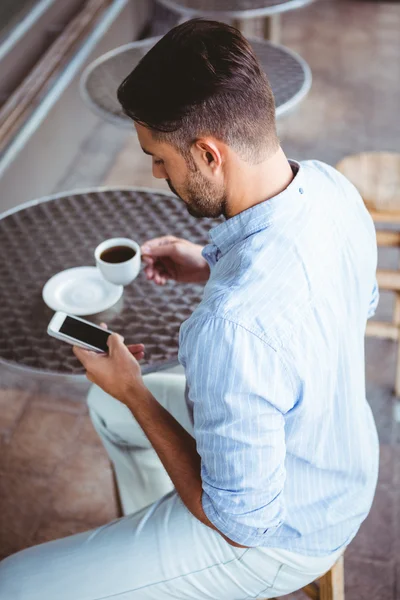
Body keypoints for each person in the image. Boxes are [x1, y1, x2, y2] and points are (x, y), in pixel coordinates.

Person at [0, 19, 379, 600]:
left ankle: (168, 565)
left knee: (17, 584)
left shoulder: (230, 327)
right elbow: (345, 301)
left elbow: (241, 525)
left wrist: (134, 389)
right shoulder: (331, 188)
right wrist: (208, 260)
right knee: (110, 414)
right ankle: (152, 555)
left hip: (279, 535)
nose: (157, 173)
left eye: (159, 157)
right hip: (341, 464)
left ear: (207, 153)